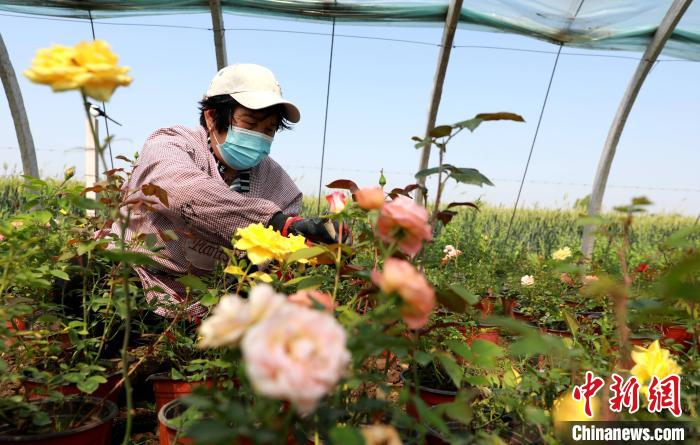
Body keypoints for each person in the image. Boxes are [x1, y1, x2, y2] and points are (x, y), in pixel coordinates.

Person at [114, 64, 345, 317]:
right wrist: (275, 222)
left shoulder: (278, 184)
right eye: (251, 123)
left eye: (268, 130)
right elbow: (179, 190)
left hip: (211, 302)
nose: (260, 136)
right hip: (132, 276)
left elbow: (279, 257)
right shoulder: (172, 143)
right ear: (213, 117)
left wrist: (317, 246)